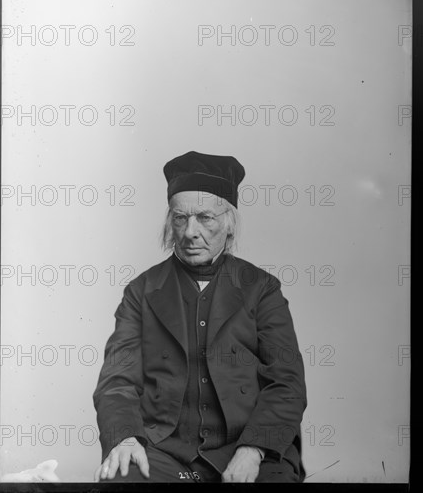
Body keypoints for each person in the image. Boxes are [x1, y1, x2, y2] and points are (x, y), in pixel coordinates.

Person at [93, 151, 307, 483]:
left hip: (247, 447)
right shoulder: (142, 290)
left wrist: (253, 450)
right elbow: (118, 381)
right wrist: (125, 437)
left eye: (205, 217)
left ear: (230, 222)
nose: (190, 231)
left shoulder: (261, 289)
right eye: (180, 218)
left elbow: (287, 383)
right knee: (121, 479)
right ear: (170, 222)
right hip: (165, 450)